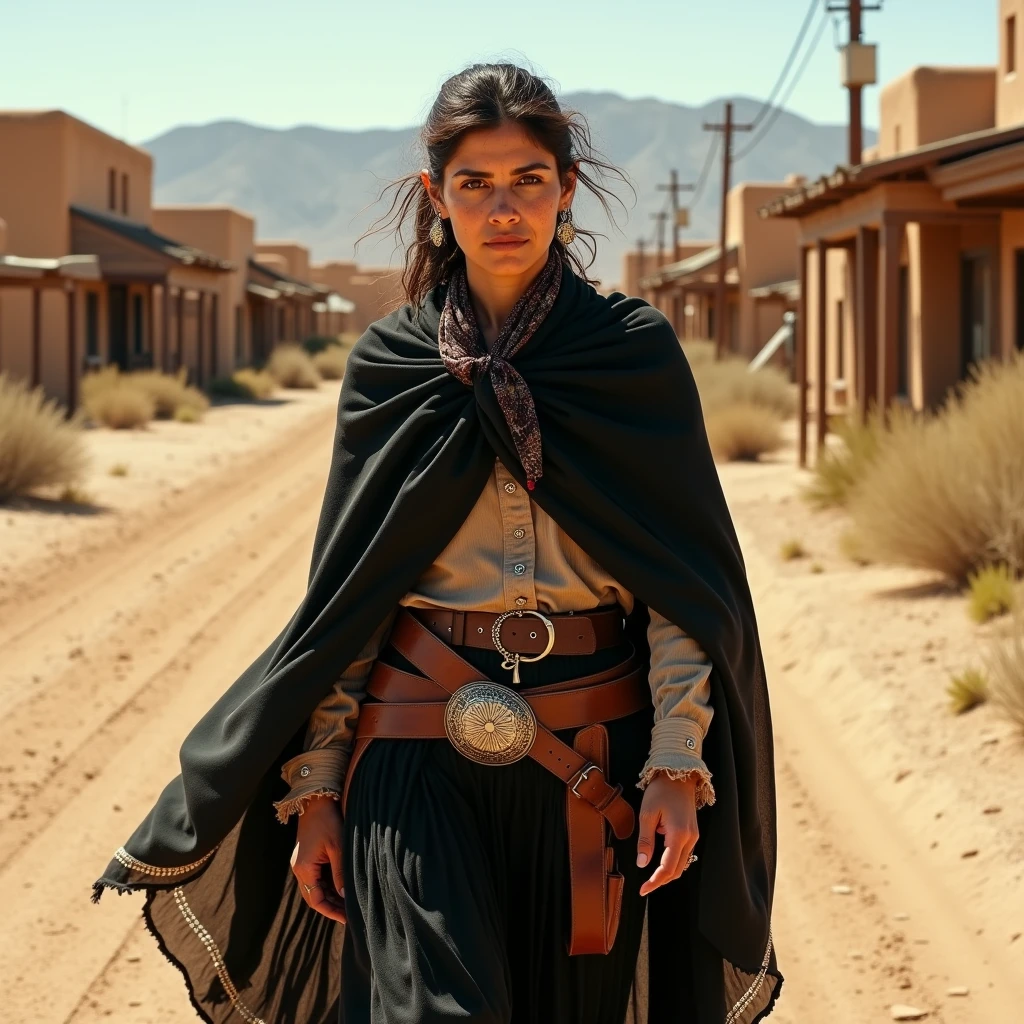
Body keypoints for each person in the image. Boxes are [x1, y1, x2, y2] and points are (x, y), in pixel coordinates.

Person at [93, 62, 782, 1024]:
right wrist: (319, 784)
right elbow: (349, 601)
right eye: (476, 183)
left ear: (567, 189)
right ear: (436, 197)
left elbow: (682, 586)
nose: (505, 208)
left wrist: (674, 763)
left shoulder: (631, 352)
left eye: (529, 180)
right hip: (413, 755)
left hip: (592, 760)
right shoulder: (392, 364)